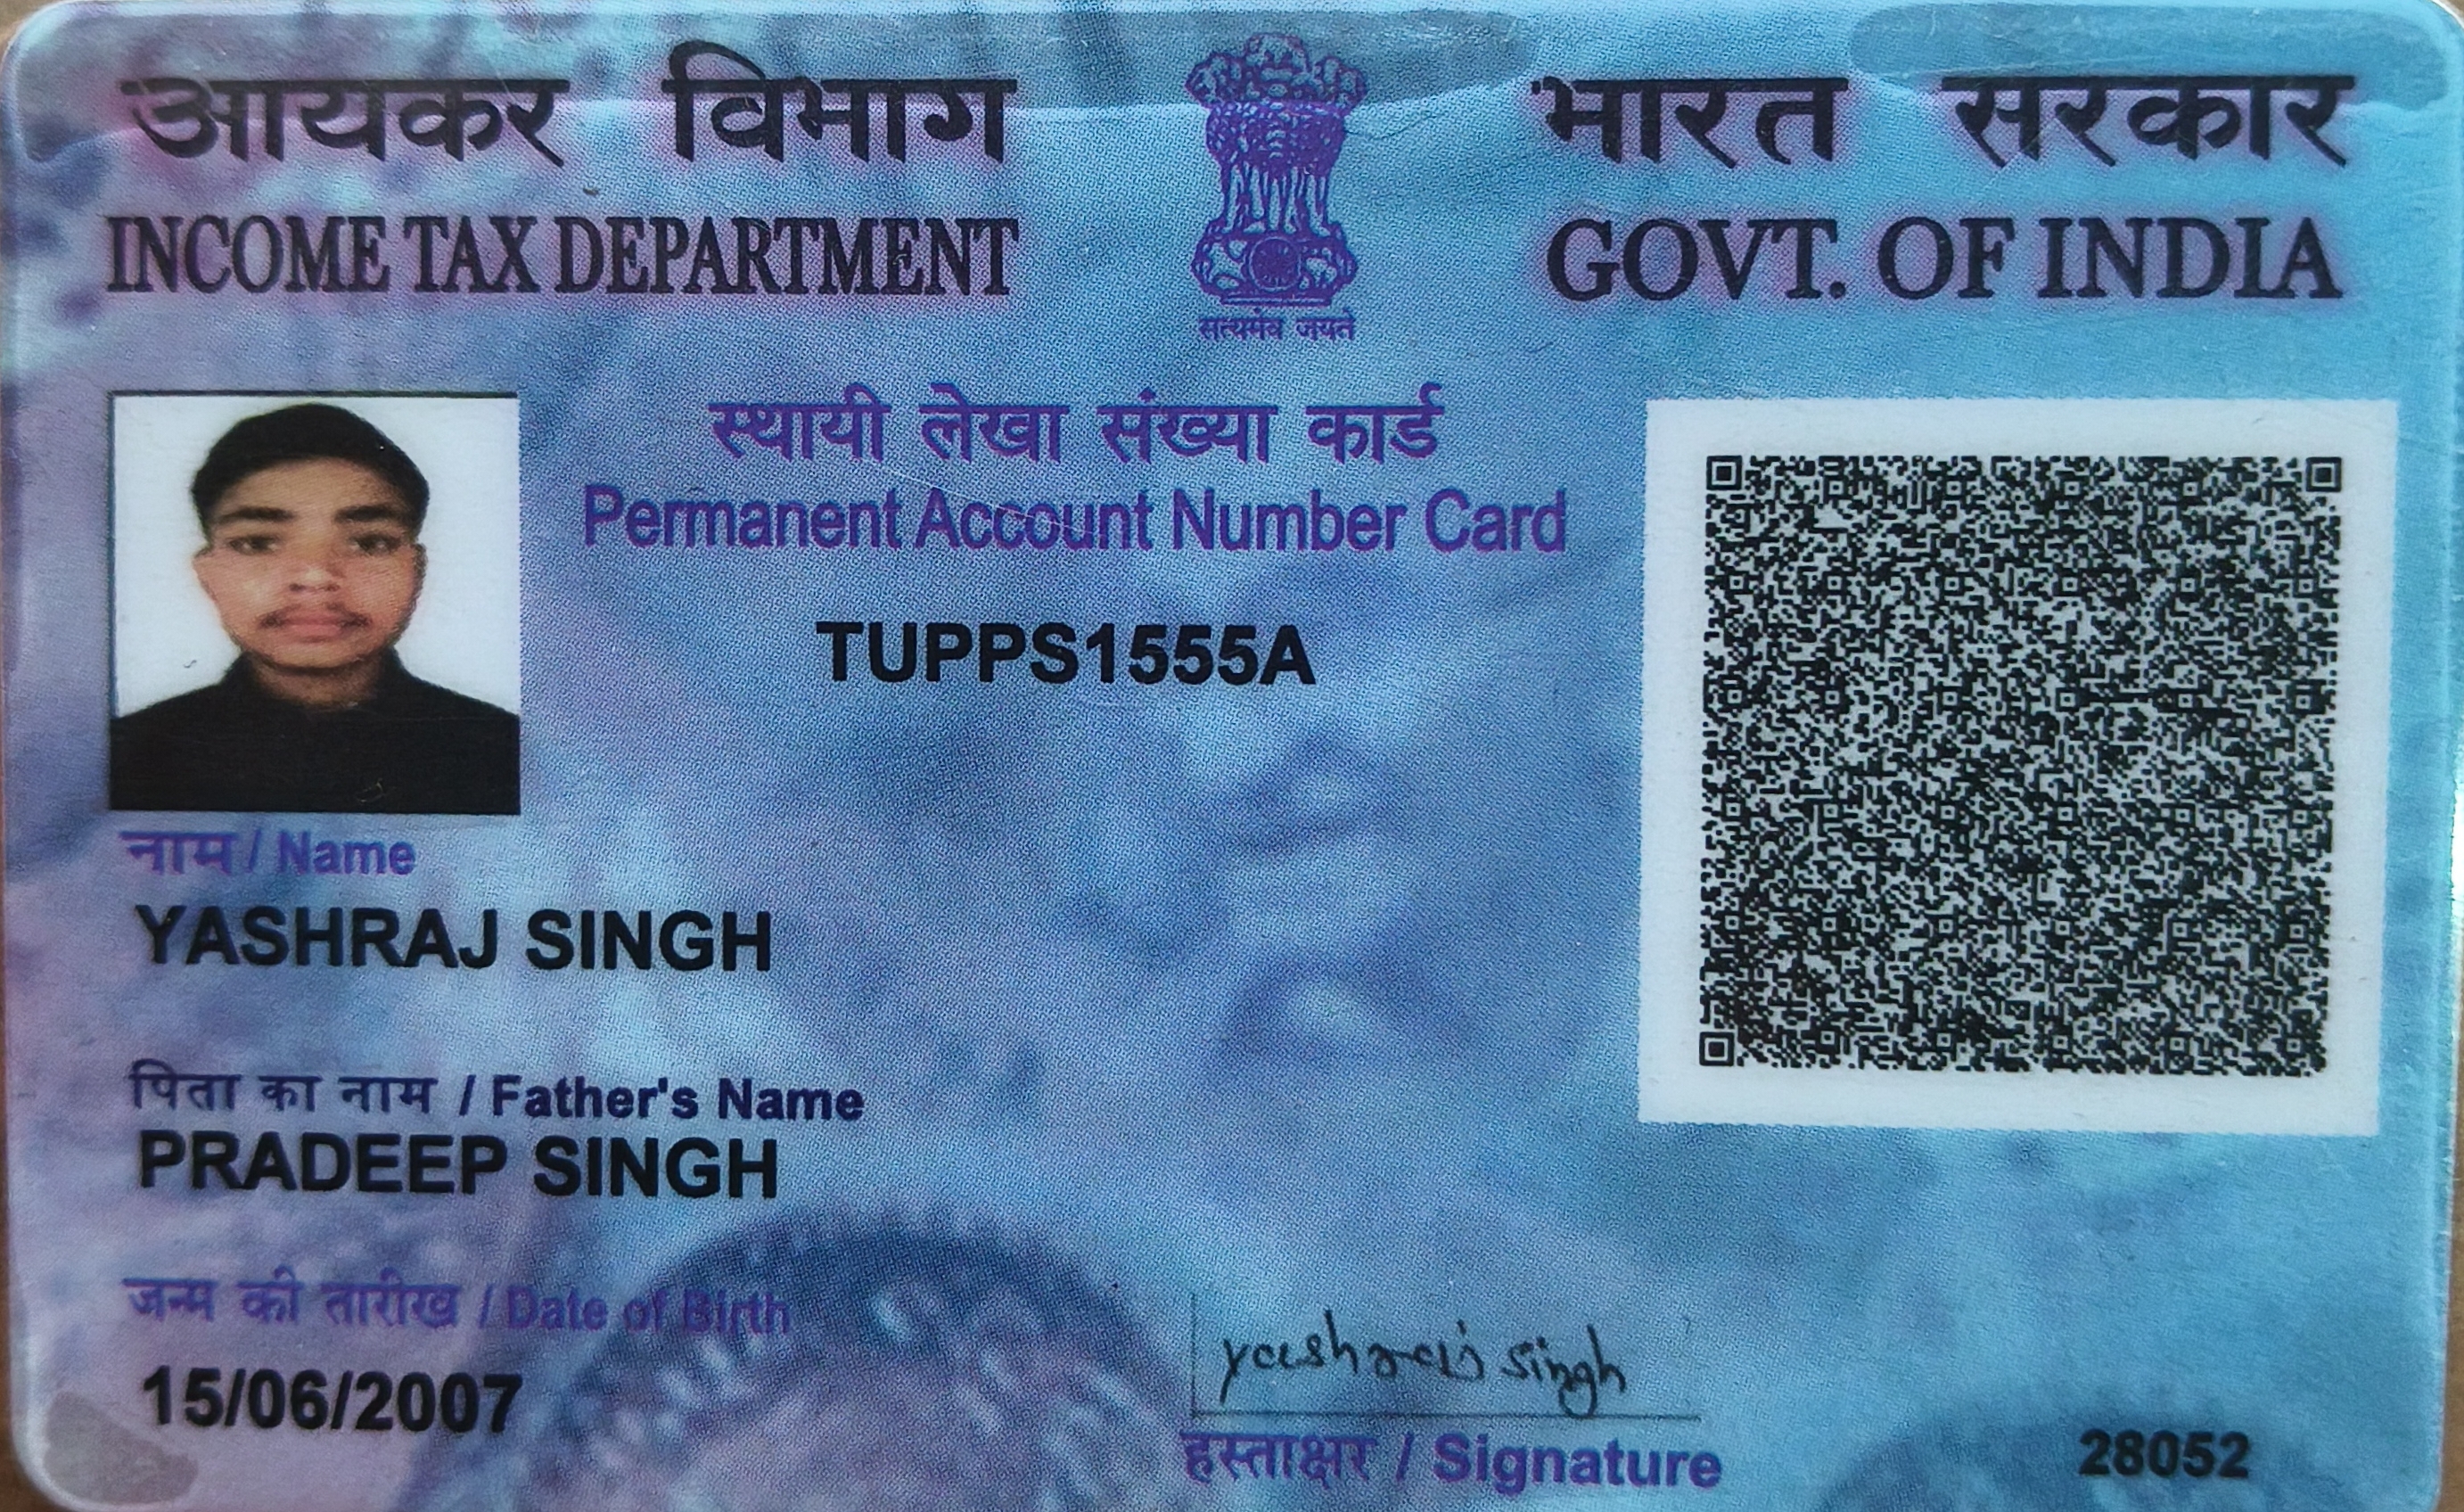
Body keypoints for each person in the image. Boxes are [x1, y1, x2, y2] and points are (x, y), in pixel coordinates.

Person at [110, 403, 519, 814]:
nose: (315, 576)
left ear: (416, 569)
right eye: (257, 543)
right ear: (208, 574)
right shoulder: (123, 759)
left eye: (369, 543)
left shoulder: (505, 752)